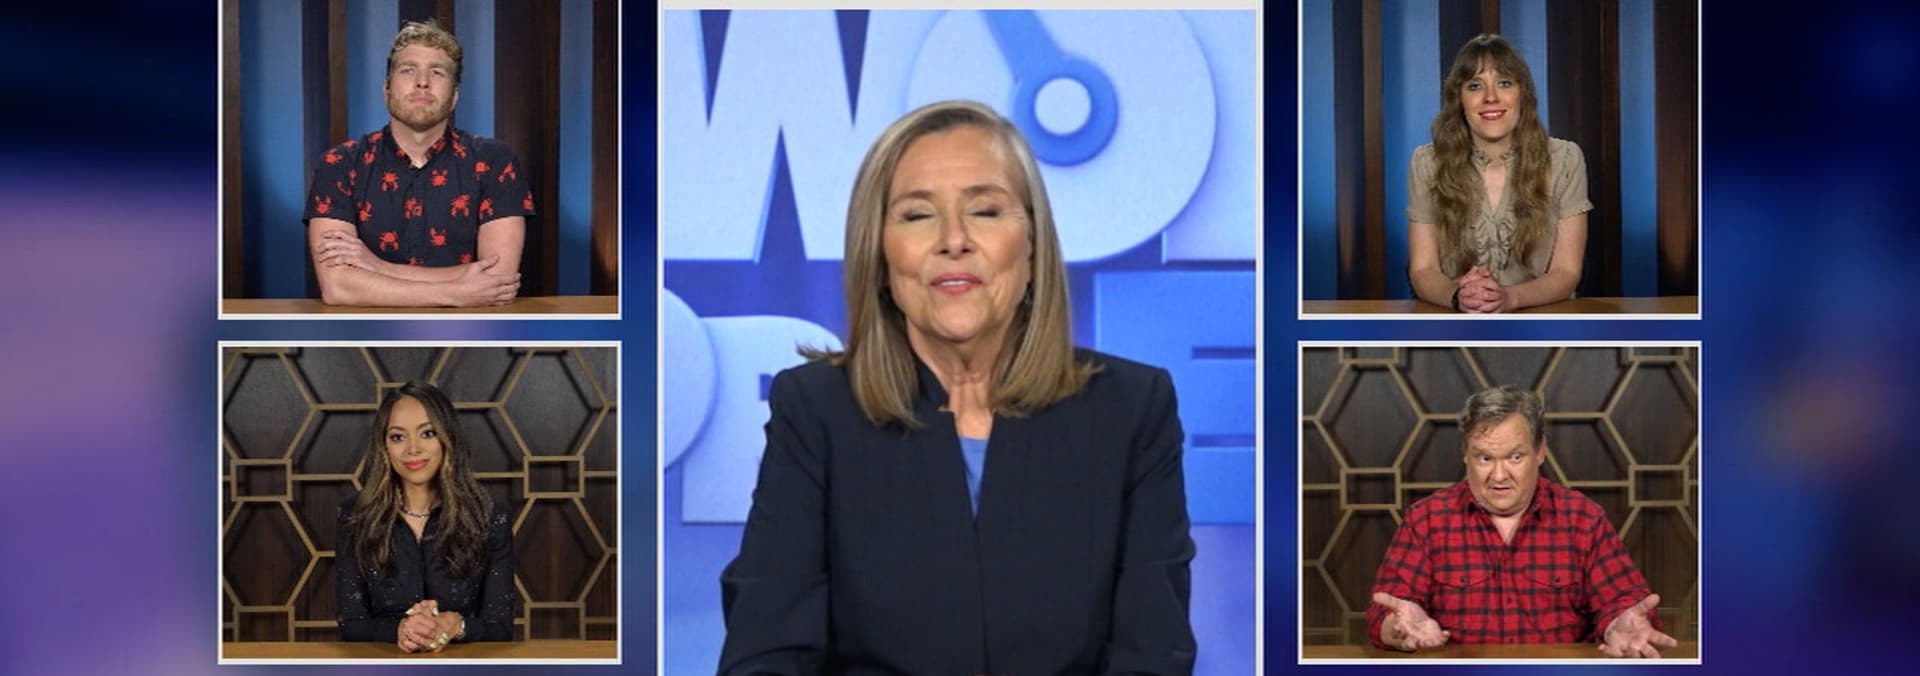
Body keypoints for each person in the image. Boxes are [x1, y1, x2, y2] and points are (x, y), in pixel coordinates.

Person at [716, 101, 1198, 674]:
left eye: (985, 211)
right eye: (918, 215)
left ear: (1033, 246)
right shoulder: (815, 410)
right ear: (880, 255)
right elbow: (767, 651)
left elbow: (1151, 654)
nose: (954, 239)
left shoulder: (1132, 409)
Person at [1366, 385, 1677, 657]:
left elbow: (1624, 601)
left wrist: (1619, 625)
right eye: (1485, 458)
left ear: (1540, 452)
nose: (1499, 476)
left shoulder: (1583, 518)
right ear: (1465, 455)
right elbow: (1387, 612)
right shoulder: (1426, 519)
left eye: (1515, 457)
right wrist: (1398, 628)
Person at [303, 20, 532, 307]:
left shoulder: (494, 160)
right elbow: (339, 287)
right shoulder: (339, 164)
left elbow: (497, 281)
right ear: (387, 89)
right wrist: (457, 292)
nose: (422, 82)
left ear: (454, 96)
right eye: (408, 70)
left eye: (437, 72)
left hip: (469, 332)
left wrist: (377, 267)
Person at [1407, 34, 1591, 313]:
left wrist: (1508, 298)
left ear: (1522, 93)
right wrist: (1458, 297)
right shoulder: (1427, 163)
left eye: (1504, 83)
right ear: (1459, 99)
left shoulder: (1565, 159)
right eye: (1475, 86)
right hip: (1457, 323)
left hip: (1541, 322)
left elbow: (1566, 272)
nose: (1490, 97)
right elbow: (1423, 270)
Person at [336, 381, 515, 652]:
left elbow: (500, 627)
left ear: (447, 439)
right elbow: (351, 624)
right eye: (398, 437)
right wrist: (400, 629)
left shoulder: (490, 514)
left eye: (427, 433)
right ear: (384, 446)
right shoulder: (356, 514)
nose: (413, 449)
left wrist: (456, 625)